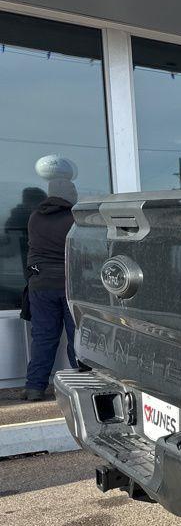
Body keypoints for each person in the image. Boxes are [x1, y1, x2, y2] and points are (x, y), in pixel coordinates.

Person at [22, 155, 78, 402]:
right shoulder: (74, 219)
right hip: (69, 285)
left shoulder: (35, 217)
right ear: (69, 194)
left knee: (43, 337)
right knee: (77, 337)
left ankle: (34, 387)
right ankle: (81, 387)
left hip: (40, 284)